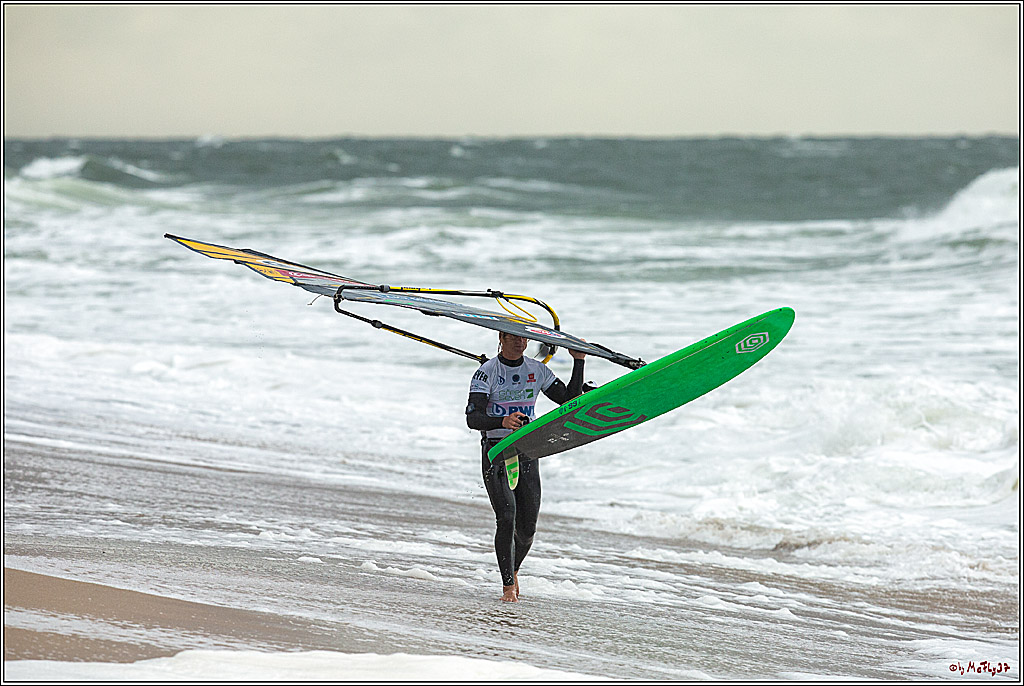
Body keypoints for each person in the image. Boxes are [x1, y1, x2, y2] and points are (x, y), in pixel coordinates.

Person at [466, 331, 586, 602]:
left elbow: (569, 401)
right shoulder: (486, 372)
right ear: (501, 338)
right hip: (496, 450)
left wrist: (578, 361)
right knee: (507, 516)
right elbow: (473, 417)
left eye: (523, 339)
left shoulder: (538, 370)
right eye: (513, 338)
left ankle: (514, 569)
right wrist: (503, 422)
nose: (520, 343)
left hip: (527, 450)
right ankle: (508, 586)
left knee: (528, 527)